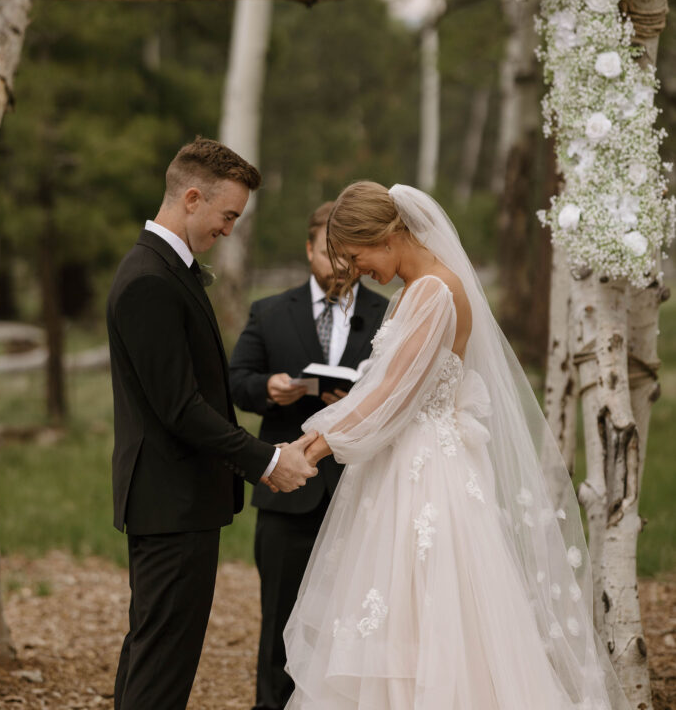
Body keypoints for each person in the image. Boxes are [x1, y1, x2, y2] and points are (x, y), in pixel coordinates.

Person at [284, 181, 631, 710]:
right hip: (406, 467)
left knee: (422, 621)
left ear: (386, 233)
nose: (356, 272)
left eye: (356, 257)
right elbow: (381, 391)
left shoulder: (431, 291)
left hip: (422, 478)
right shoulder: (414, 290)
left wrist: (310, 448)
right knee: (405, 625)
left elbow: (389, 397)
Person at [106, 138, 317, 710]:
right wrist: (266, 458)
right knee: (161, 667)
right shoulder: (150, 278)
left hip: (178, 500)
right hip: (169, 501)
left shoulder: (166, 269)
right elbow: (180, 407)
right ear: (192, 198)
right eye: (228, 216)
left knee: (153, 653)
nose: (229, 230)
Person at [230, 201, 388, 710]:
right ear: (309, 249)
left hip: (363, 490)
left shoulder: (390, 313)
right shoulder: (270, 311)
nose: (338, 266)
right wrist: (268, 388)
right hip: (287, 493)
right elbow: (236, 381)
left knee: (359, 619)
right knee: (280, 618)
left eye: (346, 255)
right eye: (328, 252)